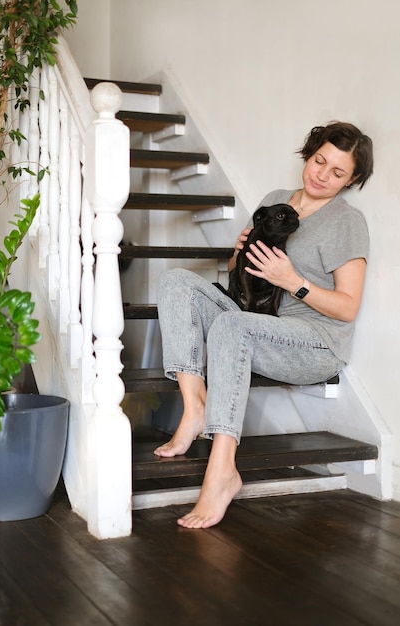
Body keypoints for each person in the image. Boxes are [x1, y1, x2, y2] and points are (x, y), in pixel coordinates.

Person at [154, 121, 374, 529]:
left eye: (337, 172)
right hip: (260, 321)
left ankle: (222, 472)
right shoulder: (276, 200)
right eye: (319, 160)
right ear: (309, 154)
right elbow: (243, 273)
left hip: (315, 342)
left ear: (352, 179)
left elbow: (347, 308)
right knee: (176, 283)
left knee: (234, 326)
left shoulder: (347, 222)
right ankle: (195, 408)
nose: (322, 174)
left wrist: (294, 282)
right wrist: (240, 253)